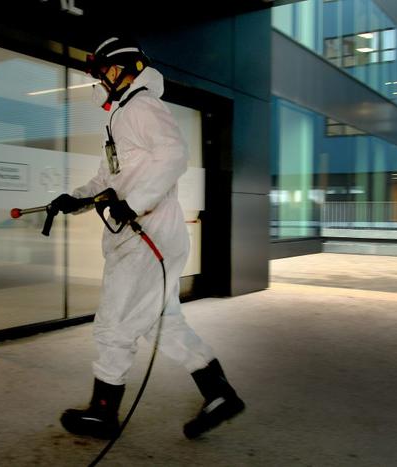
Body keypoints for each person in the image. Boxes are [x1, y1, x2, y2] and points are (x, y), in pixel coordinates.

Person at [55, 36, 244, 440]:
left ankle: (103, 412)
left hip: (147, 237)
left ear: (129, 70)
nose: (102, 81)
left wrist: (133, 204)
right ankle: (219, 392)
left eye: (106, 72)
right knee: (163, 322)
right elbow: (108, 179)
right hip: (148, 236)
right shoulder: (121, 117)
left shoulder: (141, 106)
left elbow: (174, 155)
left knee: (114, 323)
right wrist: (75, 199)